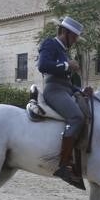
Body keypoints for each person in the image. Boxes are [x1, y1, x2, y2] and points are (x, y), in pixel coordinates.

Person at [38, 16, 86, 190]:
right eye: (73, 37)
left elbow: (67, 84)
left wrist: (80, 91)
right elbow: (43, 65)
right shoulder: (50, 44)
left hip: (64, 90)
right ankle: (63, 164)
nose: (74, 41)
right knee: (76, 117)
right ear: (65, 33)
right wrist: (67, 66)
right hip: (54, 90)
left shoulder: (65, 51)